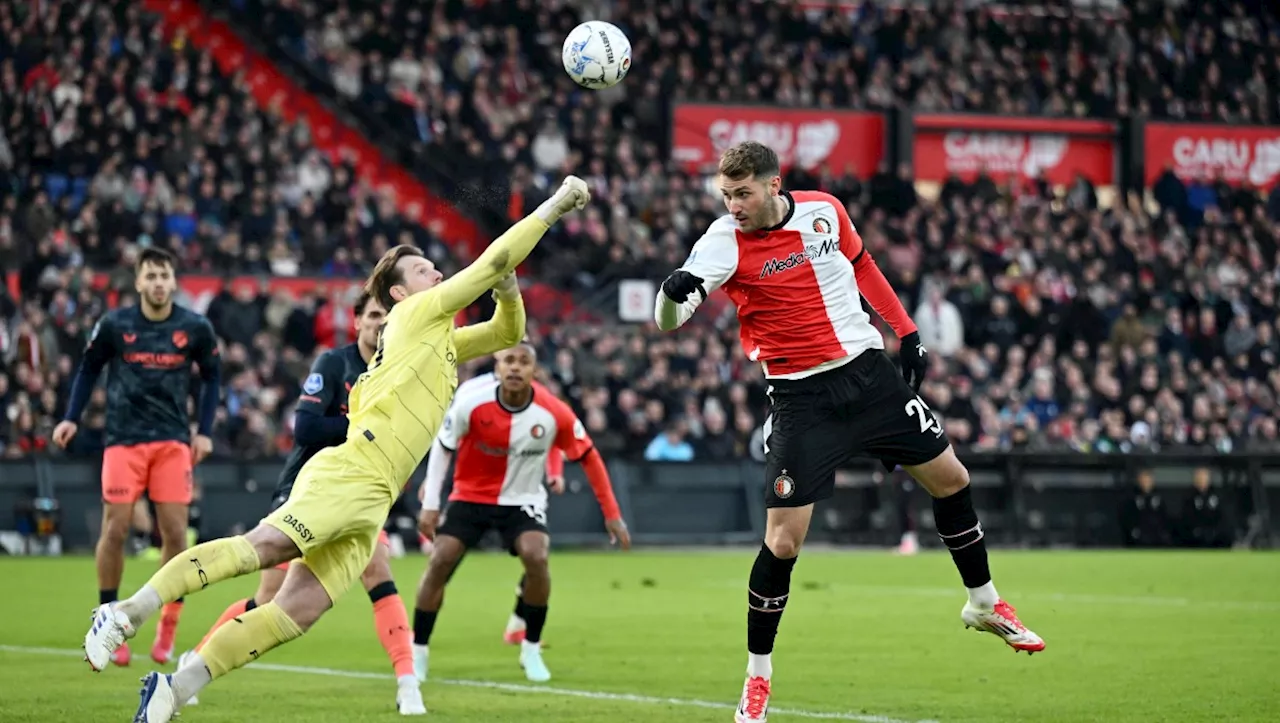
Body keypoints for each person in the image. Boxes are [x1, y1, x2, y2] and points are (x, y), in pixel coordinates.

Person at [82, 176, 591, 723]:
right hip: (354, 468)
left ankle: (172, 690)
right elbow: (489, 263)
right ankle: (125, 612)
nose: (438, 274)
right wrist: (557, 205)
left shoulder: (439, 336)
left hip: (377, 496)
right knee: (263, 548)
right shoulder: (415, 315)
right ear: (400, 292)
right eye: (425, 270)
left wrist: (509, 288)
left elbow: (506, 330)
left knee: (296, 611)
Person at [653, 142, 1044, 723]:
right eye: (726, 195)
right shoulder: (719, 243)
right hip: (800, 399)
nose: (734, 204)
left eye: (743, 193)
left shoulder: (824, 211)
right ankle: (757, 677)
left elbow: (863, 266)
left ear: (774, 185)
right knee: (783, 543)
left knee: (951, 478)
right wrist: (671, 294)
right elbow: (672, 317)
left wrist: (907, 333)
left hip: (869, 379)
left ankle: (983, 604)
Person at [180, 292, 426, 715]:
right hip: (305, 490)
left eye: (387, 318)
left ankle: (408, 682)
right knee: (269, 600)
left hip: (360, 493)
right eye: (372, 316)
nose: (380, 325)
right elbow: (306, 426)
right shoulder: (334, 364)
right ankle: (195, 660)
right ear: (357, 323)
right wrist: (363, 425)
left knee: (378, 571)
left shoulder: (399, 371)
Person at [411, 342, 631, 683]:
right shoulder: (472, 400)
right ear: (497, 366)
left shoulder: (553, 410)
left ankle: (530, 648)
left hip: (522, 499)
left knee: (536, 556)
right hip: (470, 497)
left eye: (523, 362)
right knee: (440, 561)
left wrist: (611, 512)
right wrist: (431, 504)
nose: (515, 367)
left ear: (534, 371)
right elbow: (443, 445)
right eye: (508, 360)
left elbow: (587, 455)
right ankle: (418, 651)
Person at [54, 247, 221, 667]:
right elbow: (89, 367)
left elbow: (213, 378)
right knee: (116, 529)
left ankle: (167, 624)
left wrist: (205, 432)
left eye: (165, 275)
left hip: (172, 442)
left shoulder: (194, 327)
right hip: (123, 440)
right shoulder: (115, 324)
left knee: (176, 536)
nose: (159, 282)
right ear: (139, 281)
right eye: (152, 275)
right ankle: (108, 620)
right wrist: (71, 417)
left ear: (174, 280)